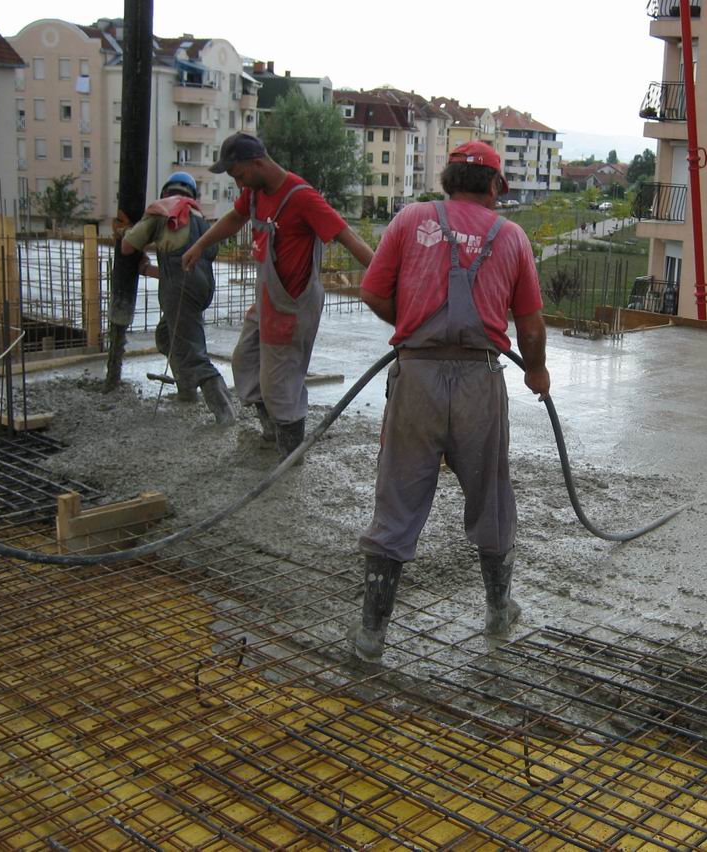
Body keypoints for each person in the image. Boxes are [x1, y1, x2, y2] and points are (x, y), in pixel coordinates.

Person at [350, 140, 550, 663]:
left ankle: (371, 635)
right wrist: (536, 370)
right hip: (480, 380)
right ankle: (498, 610)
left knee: (397, 501)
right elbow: (530, 325)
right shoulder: (511, 236)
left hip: (416, 377)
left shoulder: (409, 219)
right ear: (494, 186)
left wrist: (414, 326)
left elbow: (372, 292)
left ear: (447, 180)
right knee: (491, 497)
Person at [180, 132, 374, 460]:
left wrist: (388, 277)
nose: (238, 183)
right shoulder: (255, 193)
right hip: (267, 298)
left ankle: (290, 453)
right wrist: (200, 245)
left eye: (239, 174)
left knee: (280, 383)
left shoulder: (302, 197)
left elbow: (347, 237)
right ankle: (272, 429)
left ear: (257, 163)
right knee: (245, 360)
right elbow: (234, 218)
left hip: (293, 305)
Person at [120, 171, 236, 424]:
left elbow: (127, 246)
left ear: (165, 192)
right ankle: (187, 389)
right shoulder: (200, 218)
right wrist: (148, 269)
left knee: (192, 351)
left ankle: (225, 410)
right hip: (202, 287)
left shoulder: (162, 211)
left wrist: (126, 231)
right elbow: (183, 264)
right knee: (166, 337)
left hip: (181, 289)